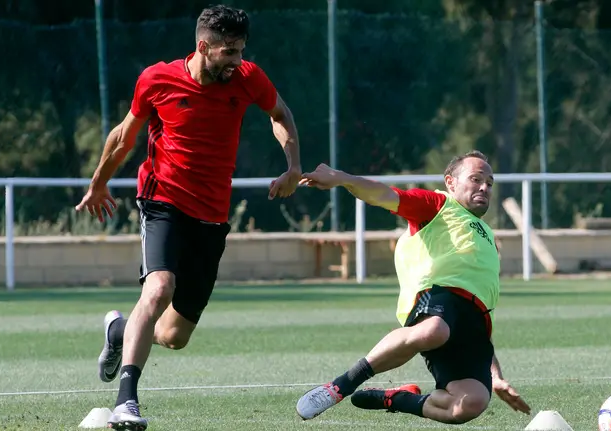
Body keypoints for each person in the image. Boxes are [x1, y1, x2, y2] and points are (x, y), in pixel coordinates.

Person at [74, 5, 302, 430]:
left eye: (241, 50)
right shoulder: (157, 79)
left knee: (173, 336)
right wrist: (99, 182)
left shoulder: (248, 77)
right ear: (203, 46)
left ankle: (119, 331)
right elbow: (124, 136)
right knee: (159, 287)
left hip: (211, 216)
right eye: (229, 51)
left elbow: (280, 114)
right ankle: (126, 401)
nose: (237, 60)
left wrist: (293, 166)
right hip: (162, 201)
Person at [295, 151, 531, 425]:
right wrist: (341, 178)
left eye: (489, 183)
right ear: (450, 182)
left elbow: (476, 315)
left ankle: (398, 399)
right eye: (476, 179)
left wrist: (495, 376)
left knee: (470, 403)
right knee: (434, 330)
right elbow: (384, 195)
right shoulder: (438, 205)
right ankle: (341, 385)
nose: (484, 187)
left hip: (474, 322)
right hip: (436, 300)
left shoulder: (487, 234)